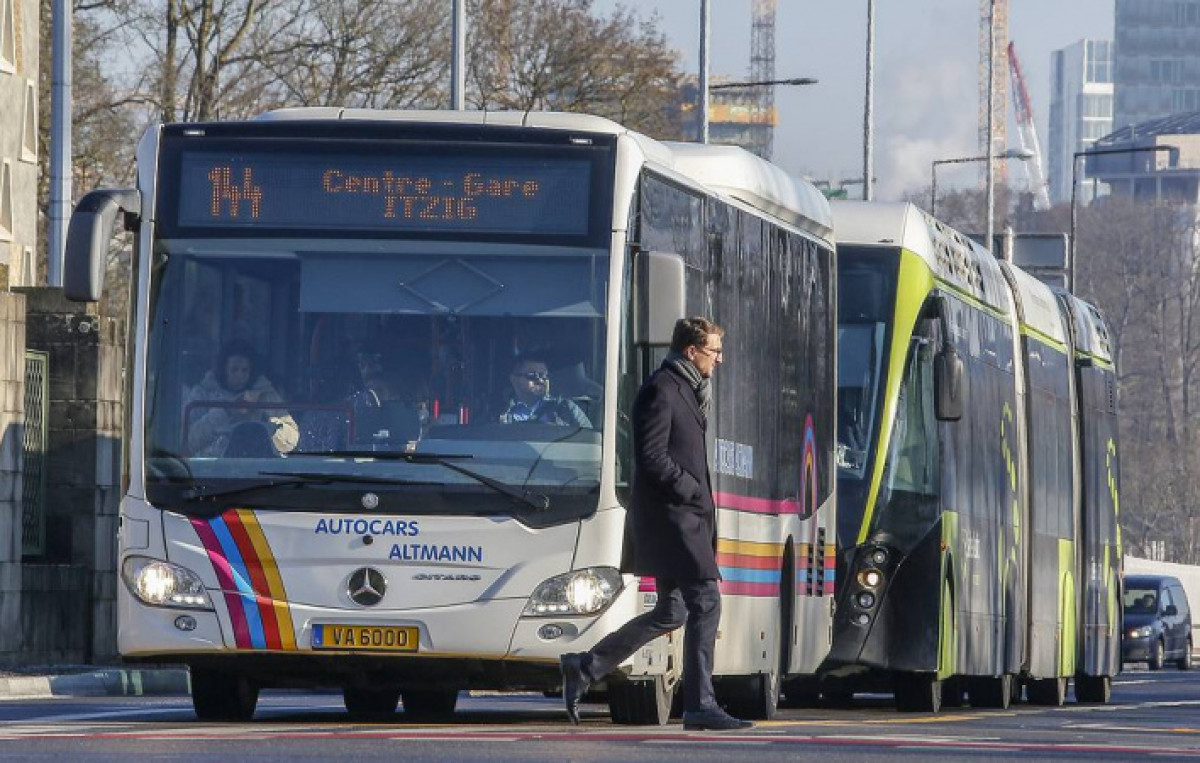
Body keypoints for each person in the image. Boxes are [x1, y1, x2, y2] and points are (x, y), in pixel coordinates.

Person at [558, 317, 752, 731]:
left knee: (673, 610)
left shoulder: (686, 389)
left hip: (683, 519)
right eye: (714, 351)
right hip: (673, 521)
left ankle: (586, 666)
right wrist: (692, 489)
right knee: (706, 602)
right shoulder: (661, 391)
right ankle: (700, 706)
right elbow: (650, 457)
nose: (720, 359)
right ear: (691, 351)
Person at [184, 339, 298, 457]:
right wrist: (226, 411)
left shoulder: (266, 395)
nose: (240, 375)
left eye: (245, 370)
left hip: (262, 468)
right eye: (234, 369)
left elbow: (291, 443)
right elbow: (189, 442)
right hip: (214, 470)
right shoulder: (202, 394)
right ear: (223, 370)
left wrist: (271, 422)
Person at [499, 355, 591, 428]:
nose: (541, 380)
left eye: (544, 375)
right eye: (532, 376)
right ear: (514, 379)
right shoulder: (495, 410)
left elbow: (588, 440)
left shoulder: (566, 408)